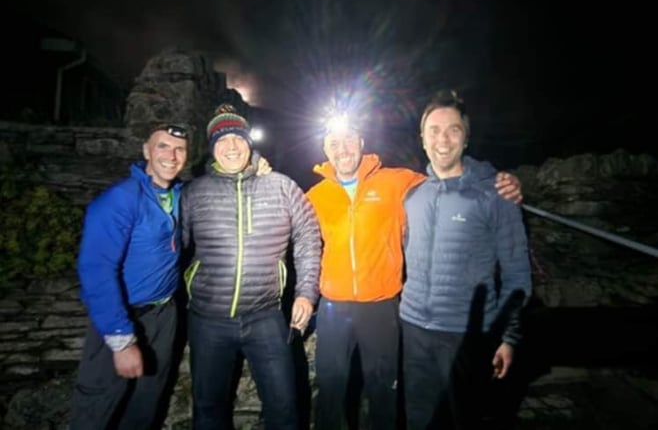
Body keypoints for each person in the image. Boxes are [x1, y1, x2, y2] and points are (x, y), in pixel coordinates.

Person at [306, 108, 522, 430]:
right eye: (334, 142)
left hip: (381, 305)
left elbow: (448, 178)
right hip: (333, 308)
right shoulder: (314, 196)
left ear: (361, 142)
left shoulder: (397, 181)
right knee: (331, 392)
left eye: (349, 139)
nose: (343, 149)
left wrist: (500, 180)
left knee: (384, 392)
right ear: (325, 149)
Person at [181, 105, 321, 430]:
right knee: (208, 410)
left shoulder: (282, 186)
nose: (231, 146)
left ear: (249, 142)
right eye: (221, 139)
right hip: (207, 320)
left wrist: (306, 292)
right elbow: (174, 247)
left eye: (237, 138)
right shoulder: (194, 193)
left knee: (285, 408)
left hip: (266, 317)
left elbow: (308, 236)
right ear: (212, 148)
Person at [399, 90, 533, 429]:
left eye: (453, 129)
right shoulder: (413, 195)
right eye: (434, 130)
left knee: (463, 420)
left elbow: (517, 273)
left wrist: (509, 337)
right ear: (422, 139)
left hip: (466, 335)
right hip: (413, 329)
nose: (443, 139)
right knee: (419, 419)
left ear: (466, 138)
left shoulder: (495, 195)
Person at [70, 123, 189, 429]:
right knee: (98, 407)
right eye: (162, 146)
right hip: (123, 315)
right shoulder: (121, 199)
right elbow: (96, 270)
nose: (172, 156)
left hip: (164, 315)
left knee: (146, 404)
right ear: (146, 150)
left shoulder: (180, 195)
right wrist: (121, 341)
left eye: (180, 149)